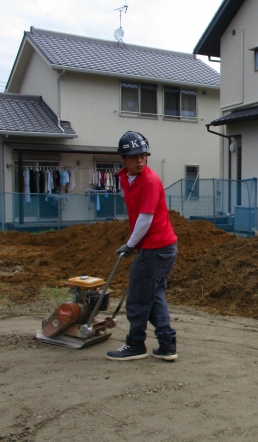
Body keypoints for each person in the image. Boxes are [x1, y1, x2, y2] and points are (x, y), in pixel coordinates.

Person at [106, 131, 178, 362]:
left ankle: (136, 344)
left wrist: (129, 244)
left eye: (143, 155)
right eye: (134, 156)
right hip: (158, 247)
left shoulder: (149, 180)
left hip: (156, 248)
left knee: (138, 296)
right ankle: (167, 345)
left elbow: (145, 219)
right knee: (154, 295)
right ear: (123, 159)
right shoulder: (127, 178)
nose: (140, 160)